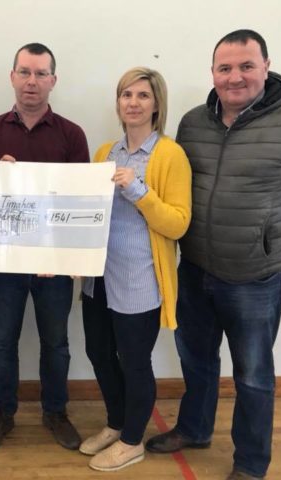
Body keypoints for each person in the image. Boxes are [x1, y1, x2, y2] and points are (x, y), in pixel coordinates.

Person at [145, 30, 281, 480]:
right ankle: (194, 429)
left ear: (266, 67)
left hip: (256, 278)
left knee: (252, 375)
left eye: (246, 66)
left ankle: (251, 463)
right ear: (213, 72)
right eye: (225, 68)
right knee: (196, 359)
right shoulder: (194, 122)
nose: (235, 77)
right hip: (195, 267)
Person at [0, 42, 89, 454]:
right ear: (12, 77)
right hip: (4, 265)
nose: (32, 81)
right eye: (24, 72)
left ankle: (55, 411)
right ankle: (2, 413)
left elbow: (80, 205)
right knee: (1, 343)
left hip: (53, 265)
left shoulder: (72, 135)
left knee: (56, 343)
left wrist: (70, 258)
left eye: (40, 74)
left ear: (53, 80)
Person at [78, 67, 191, 472]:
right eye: (126, 94)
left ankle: (132, 441)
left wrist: (139, 191)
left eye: (143, 95)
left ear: (157, 104)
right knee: (98, 352)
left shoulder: (170, 154)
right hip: (98, 277)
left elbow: (178, 223)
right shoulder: (106, 150)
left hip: (140, 279)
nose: (133, 102)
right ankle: (116, 422)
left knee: (134, 360)